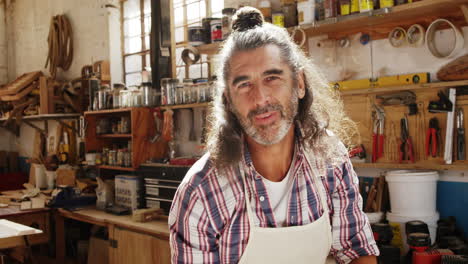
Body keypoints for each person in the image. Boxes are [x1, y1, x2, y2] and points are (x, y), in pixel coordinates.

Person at [169, 7, 379, 264]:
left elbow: (357, 251)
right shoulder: (202, 192)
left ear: (299, 84)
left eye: (272, 77)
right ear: (229, 102)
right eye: (244, 84)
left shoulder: (330, 159)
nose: (260, 99)